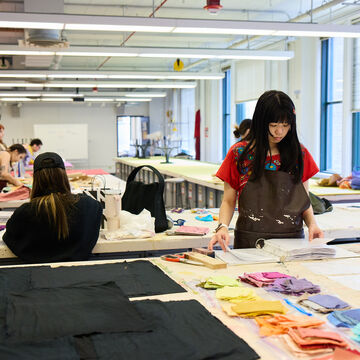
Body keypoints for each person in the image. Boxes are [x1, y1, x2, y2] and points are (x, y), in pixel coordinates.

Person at [208, 90, 323, 251]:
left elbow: (303, 201)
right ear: (261, 122)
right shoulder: (239, 154)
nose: (280, 132)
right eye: (274, 125)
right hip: (250, 242)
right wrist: (222, 227)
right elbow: (228, 200)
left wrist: (312, 224)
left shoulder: (299, 154)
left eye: (285, 125)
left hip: (291, 242)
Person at [3, 152, 103, 263]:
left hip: (37, 278)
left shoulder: (24, 213)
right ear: (64, 176)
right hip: (81, 278)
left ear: (36, 180)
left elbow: (11, 239)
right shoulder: (89, 206)